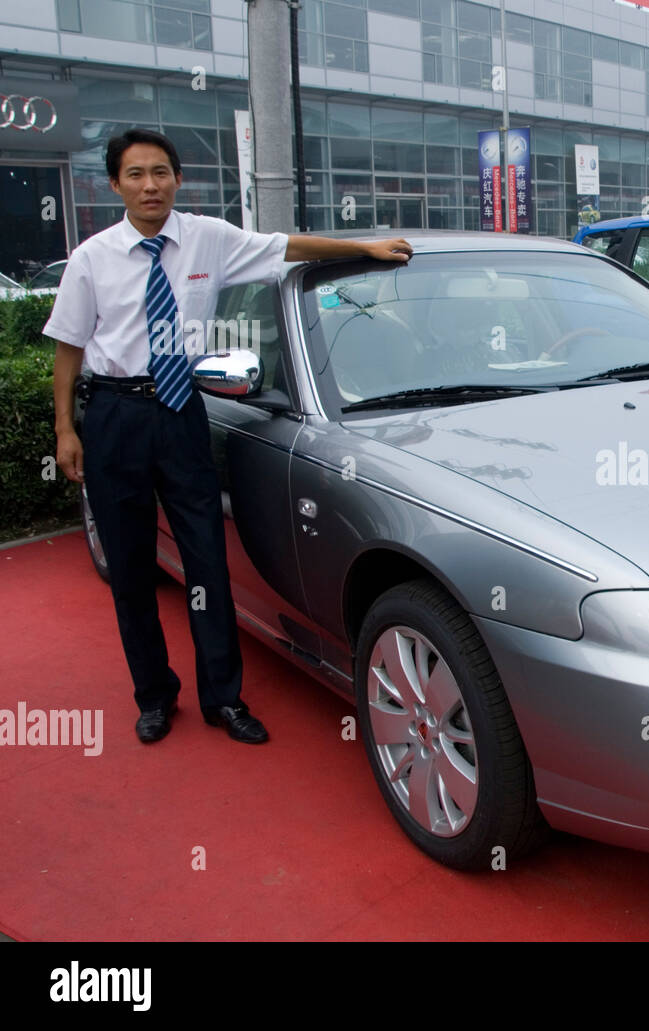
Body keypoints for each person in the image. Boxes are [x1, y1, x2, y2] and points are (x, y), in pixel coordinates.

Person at [45, 128, 413, 745]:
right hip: (114, 416)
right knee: (132, 570)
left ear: (177, 179)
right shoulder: (92, 259)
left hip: (181, 412)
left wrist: (368, 249)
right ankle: (155, 695)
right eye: (135, 175)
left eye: (160, 172)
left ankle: (224, 699)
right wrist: (65, 430)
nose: (150, 185)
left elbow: (286, 247)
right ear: (116, 185)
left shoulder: (207, 237)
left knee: (207, 563)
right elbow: (68, 350)